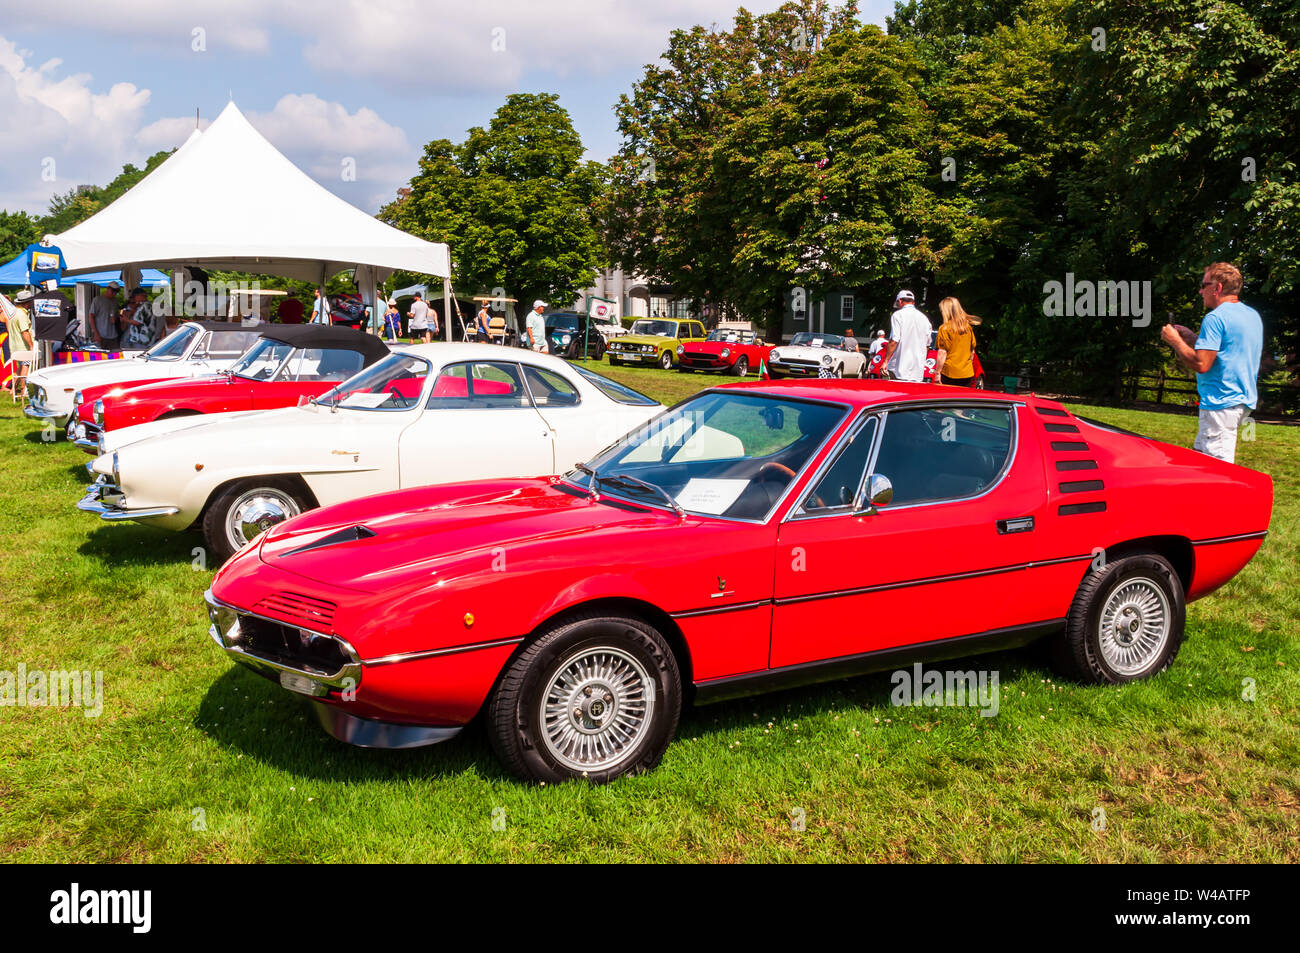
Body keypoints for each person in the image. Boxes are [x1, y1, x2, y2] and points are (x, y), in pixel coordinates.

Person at [1161, 262, 1263, 464]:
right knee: (1198, 458)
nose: (1200, 291)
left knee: (1216, 468)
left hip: (1220, 404)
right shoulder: (1251, 316)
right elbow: (1228, 351)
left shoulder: (1215, 318)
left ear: (1217, 288)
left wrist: (1175, 341)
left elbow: (1202, 364)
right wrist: (1191, 337)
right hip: (1241, 401)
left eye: (1204, 284)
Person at [884, 289, 931, 382]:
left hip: (899, 367)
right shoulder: (924, 318)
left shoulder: (898, 315)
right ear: (913, 302)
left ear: (900, 301)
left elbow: (894, 340)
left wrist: (885, 361)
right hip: (917, 371)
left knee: (897, 394)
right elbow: (927, 344)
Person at [933, 296, 977, 387]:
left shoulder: (944, 328)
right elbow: (972, 352)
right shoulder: (968, 328)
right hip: (967, 373)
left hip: (949, 373)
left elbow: (942, 352)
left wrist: (937, 373)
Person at [3, 292, 35, 394]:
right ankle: (23, 391)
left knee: (20, 368)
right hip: (23, 347)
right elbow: (24, 332)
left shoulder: (13, 313)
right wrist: (31, 345)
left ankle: (12, 390)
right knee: (26, 366)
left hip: (15, 346)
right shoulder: (21, 314)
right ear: (26, 303)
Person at [89, 282, 122, 351]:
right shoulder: (97, 300)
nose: (114, 293)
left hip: (113, 336)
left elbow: (116, 316)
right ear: (107, 289)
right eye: (113, 291)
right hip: (101, 335)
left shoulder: (115, 301)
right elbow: (91, 316)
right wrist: (95, 333)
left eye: (116, 291)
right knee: (100, 358)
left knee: (115, 357)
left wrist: (116, 318)